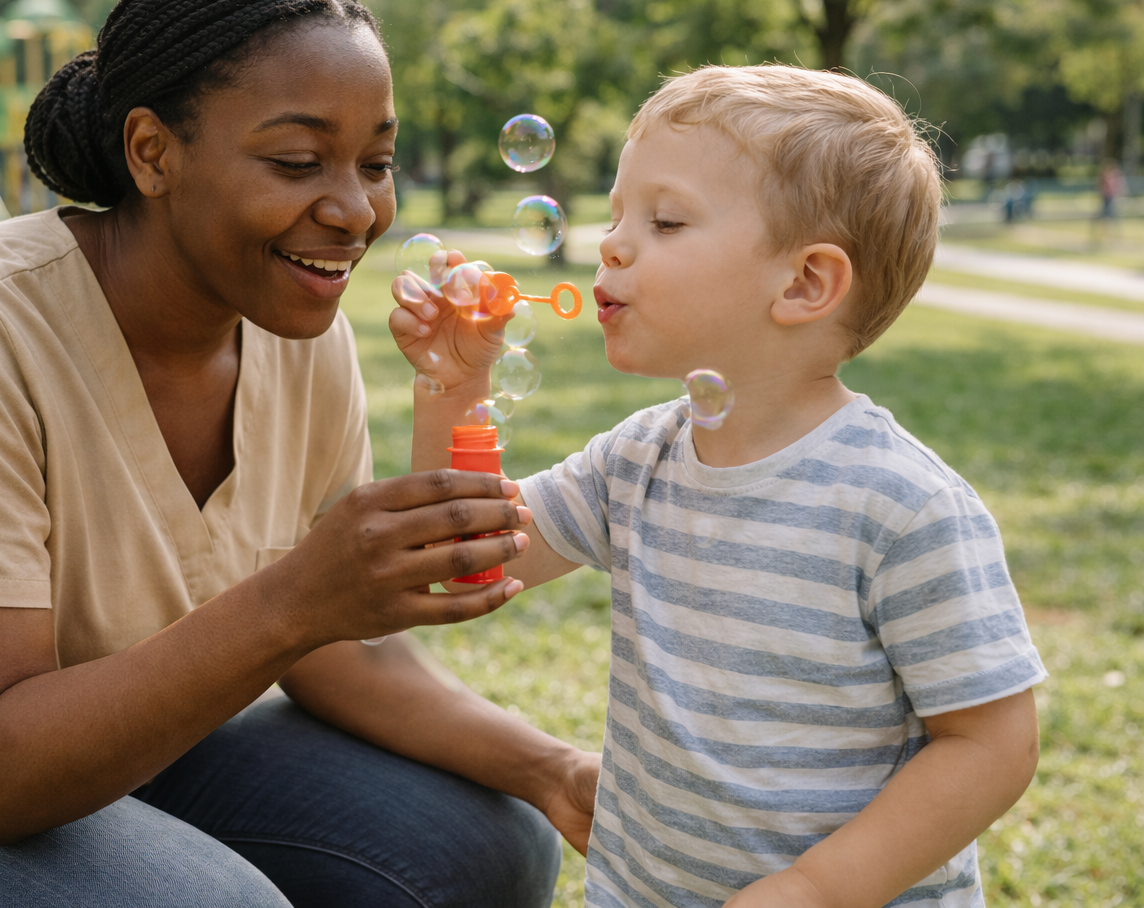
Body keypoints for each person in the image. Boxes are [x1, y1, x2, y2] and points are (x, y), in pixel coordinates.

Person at [0, 0, 600, 908]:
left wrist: (550, 769)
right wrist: (294, 598)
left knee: (493, 841)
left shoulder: (290, 322)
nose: (354, 209)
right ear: (152, 153)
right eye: (297, 162)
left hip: (145, 746)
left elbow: (329, 648)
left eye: (376, 163)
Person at [391, 65, 1045, 908]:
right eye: (618, 213)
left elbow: (992, 745)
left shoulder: (899, 506)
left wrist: (815, 888)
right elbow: (462, 555)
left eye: (664, 220)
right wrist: (452, 388)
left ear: (805, 282)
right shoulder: (638, 461)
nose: (613, 243)